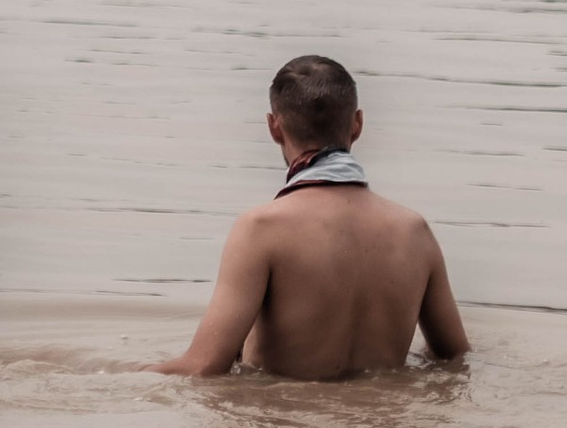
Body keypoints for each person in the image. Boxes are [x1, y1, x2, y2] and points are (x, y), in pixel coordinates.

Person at [151, 55, 469, 379]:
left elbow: (203, 366)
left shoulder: (261, 229)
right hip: (382, 427)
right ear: (357, 123)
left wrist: (110, 370)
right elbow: (454, 357)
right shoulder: (414, 231)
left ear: (274, 127)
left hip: (281, 423)